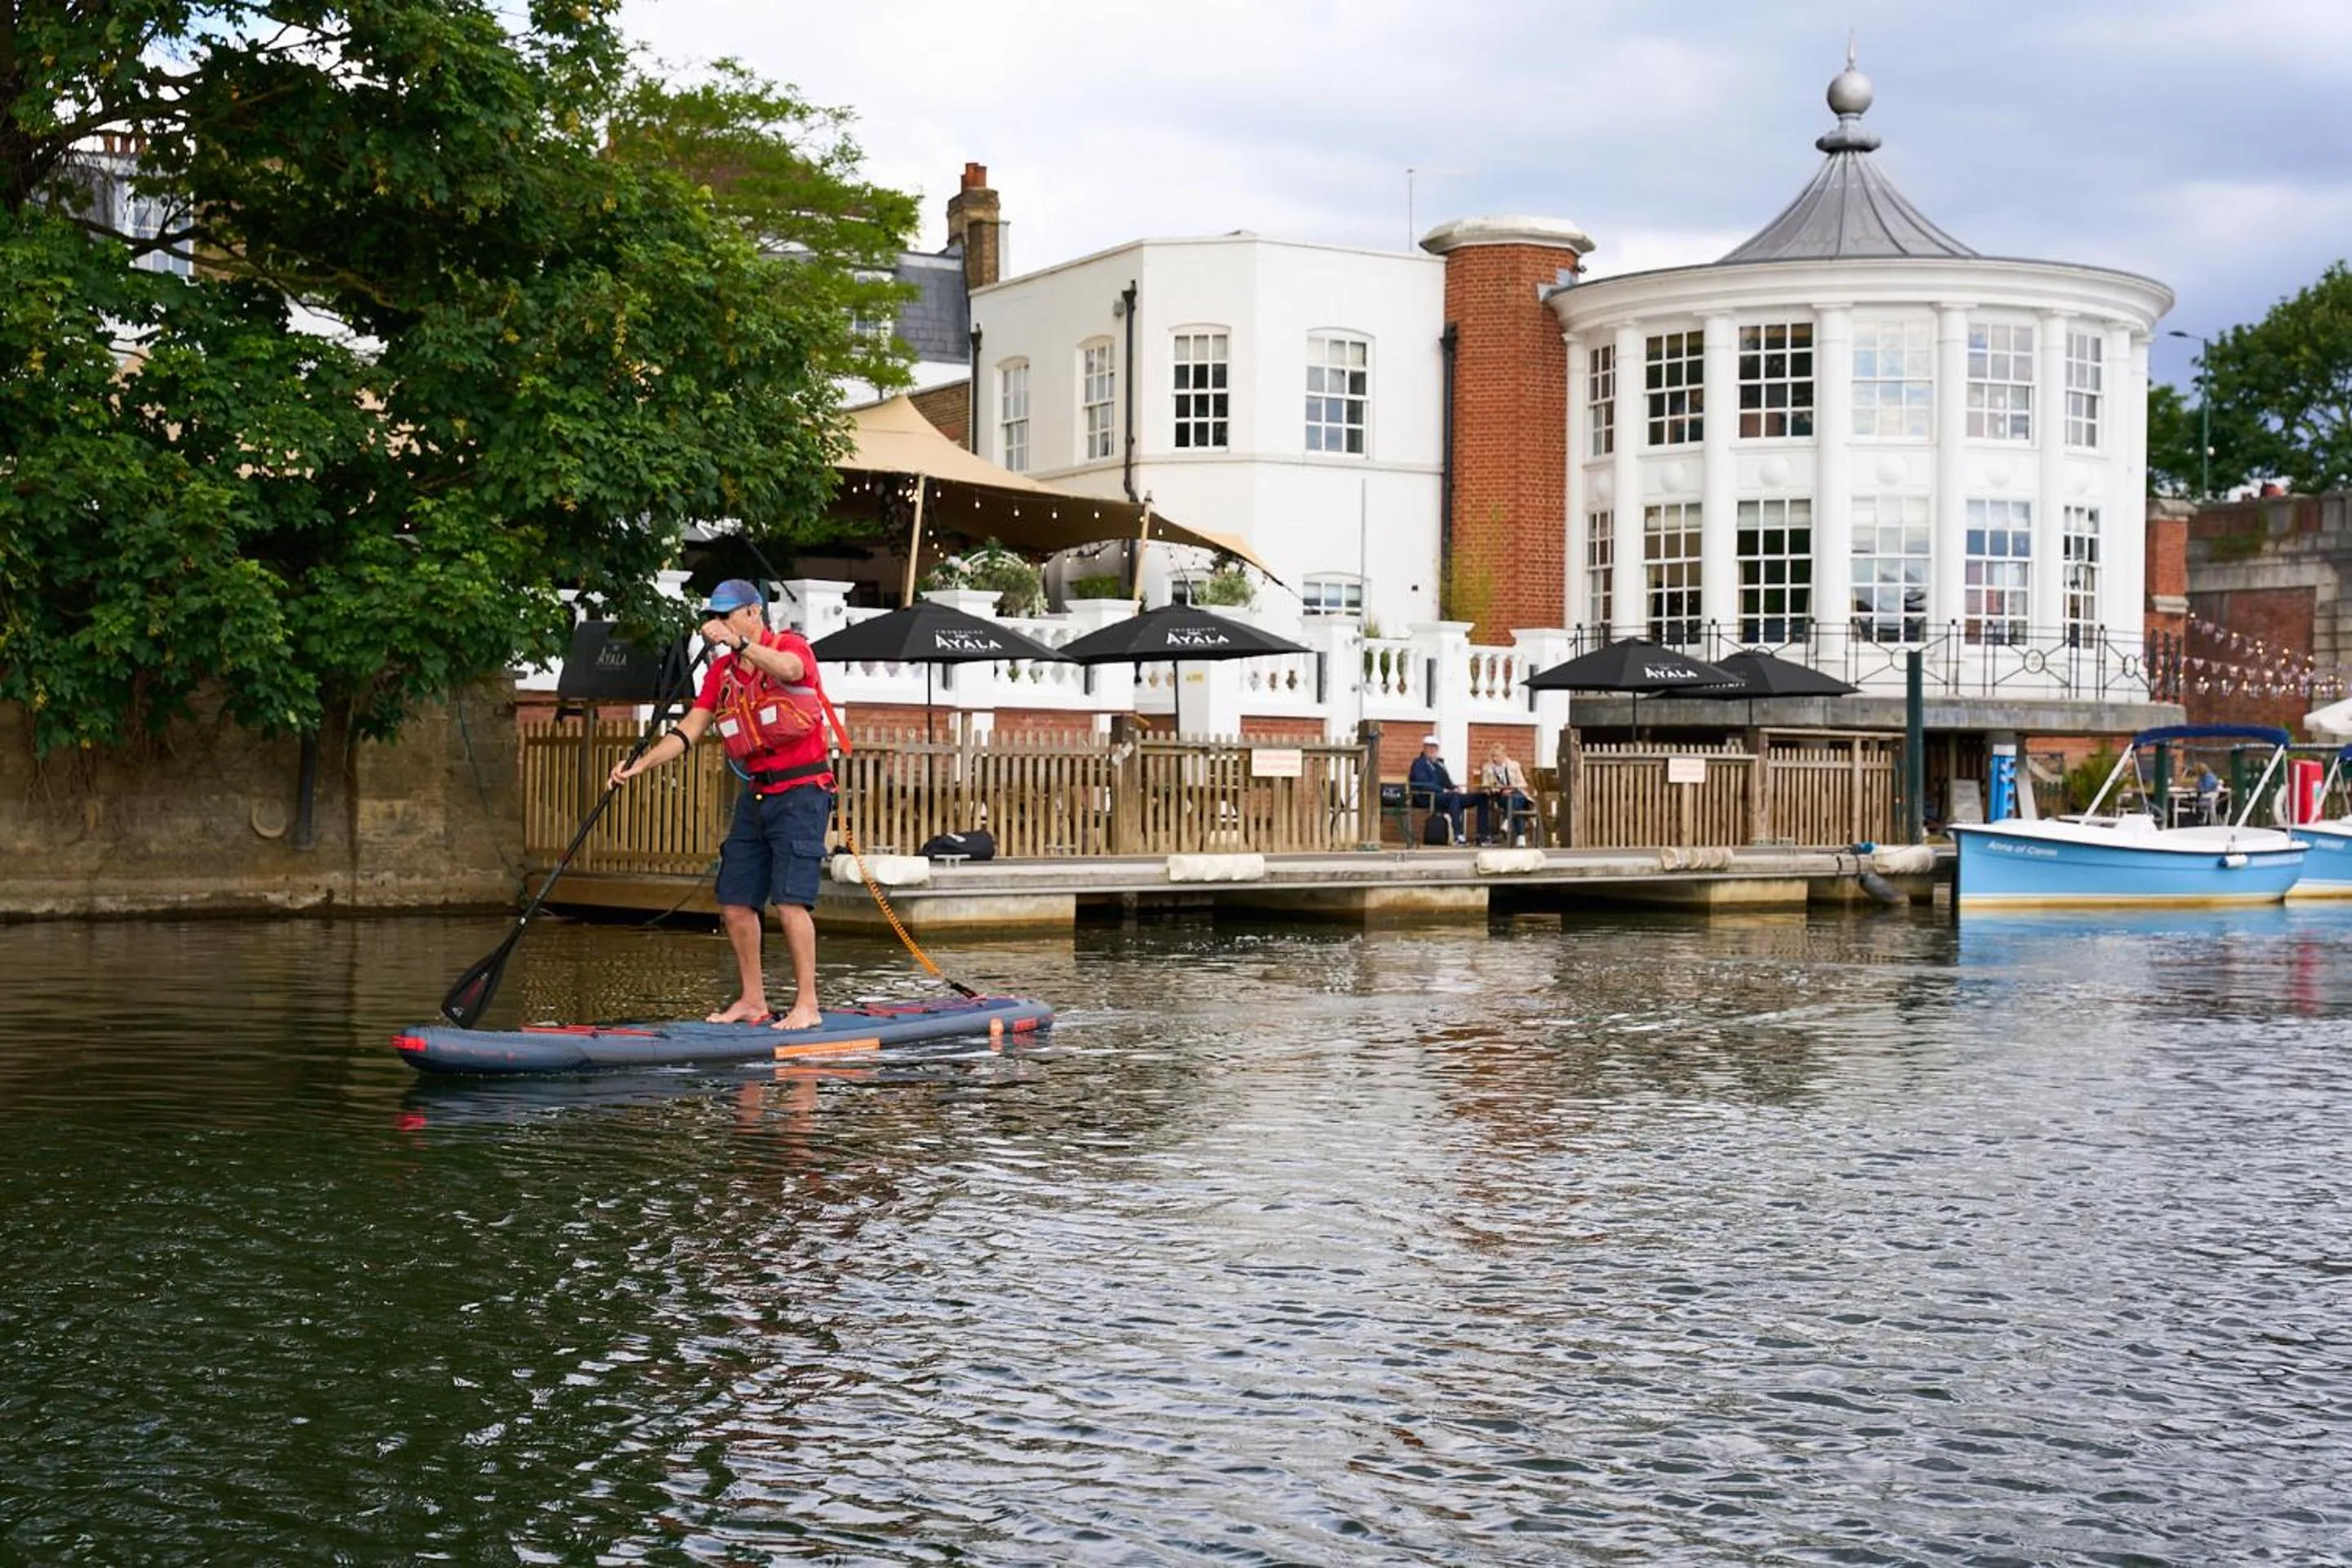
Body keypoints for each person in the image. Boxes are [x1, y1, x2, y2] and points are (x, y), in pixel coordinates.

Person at [610, 580, 837, 1029]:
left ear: (753, 613)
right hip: (755, 794)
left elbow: (791, 671)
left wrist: (740, 642)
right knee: (734, 902)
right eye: (714, 615)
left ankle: (806, 1004)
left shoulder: (789, 646)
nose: (716, 623)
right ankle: (753, 1001)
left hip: (802, 792)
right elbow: (687, 732)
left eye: (726, 614)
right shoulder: (721, 675)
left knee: (790, 903)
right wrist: (641, 764)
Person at [1408, 735, 1484, 844]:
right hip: (1427, 797)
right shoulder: (1419, 763)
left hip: (1444, 796)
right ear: (1424, 748)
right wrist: (1444, 790)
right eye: (1429, 747)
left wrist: (1455, 788)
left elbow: (1448, 783)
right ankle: (1458, 835)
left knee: (1481, 797)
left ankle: (1483, 836)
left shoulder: (1439, 764)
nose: (1432, 750)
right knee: (1454, 797)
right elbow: (1422, 783)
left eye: (1434, 747)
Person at [1480, 742, 1534, 844]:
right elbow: (1485, 786)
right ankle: (1521, 837)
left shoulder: (1514, 766)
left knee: (1516, 799)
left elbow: (1523, 784)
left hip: (1516, 792)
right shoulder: (1488, 768)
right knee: (1517, 804)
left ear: (1504, 755)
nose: (1495, 759)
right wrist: (1496, 789)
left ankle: (1508, 821)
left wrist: (1512, 789)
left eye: (1497, 756)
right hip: (1501, 796)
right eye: (1493, 756)